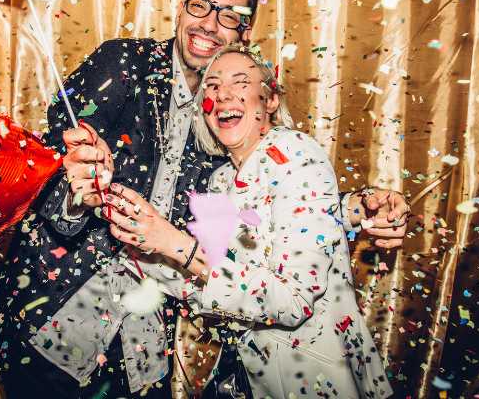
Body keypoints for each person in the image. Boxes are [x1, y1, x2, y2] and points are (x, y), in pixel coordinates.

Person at [0, 0, 407, 398]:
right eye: (200, 5)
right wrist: (79, 189)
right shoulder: (123, 63)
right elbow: (44, 167)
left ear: (243, 34)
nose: (209, 23)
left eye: (228, 15)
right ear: (181, 7)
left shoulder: (226, 123)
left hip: (144, 338)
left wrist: (355, 208)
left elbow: (261, 203)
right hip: (54, 315)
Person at [102, 43, 393, 398]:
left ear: (269, 100)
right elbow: (212, 287)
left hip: (316, 380)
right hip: (247, 379)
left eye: (240, 82)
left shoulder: (297, 153)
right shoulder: (218, 181)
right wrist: (139, 239)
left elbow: (292, 299)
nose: (222, 93)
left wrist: (175, 243)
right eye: (211, 86)